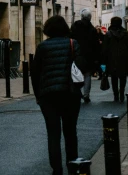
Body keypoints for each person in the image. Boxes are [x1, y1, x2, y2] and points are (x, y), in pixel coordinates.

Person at [31, 15, 85, 175]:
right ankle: (73, 166)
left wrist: (38, 96)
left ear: (48, 29)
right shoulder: (72, 44)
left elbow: (35, 73)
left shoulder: (42, 47)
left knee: (53, 134)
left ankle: (57, 169)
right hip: (70, 94)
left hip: (48, 96)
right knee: (70, 132)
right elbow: (81, 65)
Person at [101, 16, 128, 102]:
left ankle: (116, 95)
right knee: (123, 77)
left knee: (114, 77)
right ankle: (122, 92)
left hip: (111, 59)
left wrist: (103, 60)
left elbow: (104, 49)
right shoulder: (125, 33)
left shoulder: (108, 34)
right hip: (123, 59)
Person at [70, 8, 100, 103]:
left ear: (82, 16)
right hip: (89, 56)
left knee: (75, 74)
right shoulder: (92, 29)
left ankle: (77, 93)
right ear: (90, 18)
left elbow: (70, 38)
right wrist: (96, 58)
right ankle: (86, 94)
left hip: (76, 54)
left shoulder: (75, 26)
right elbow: (96, 45)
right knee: (87, 75)